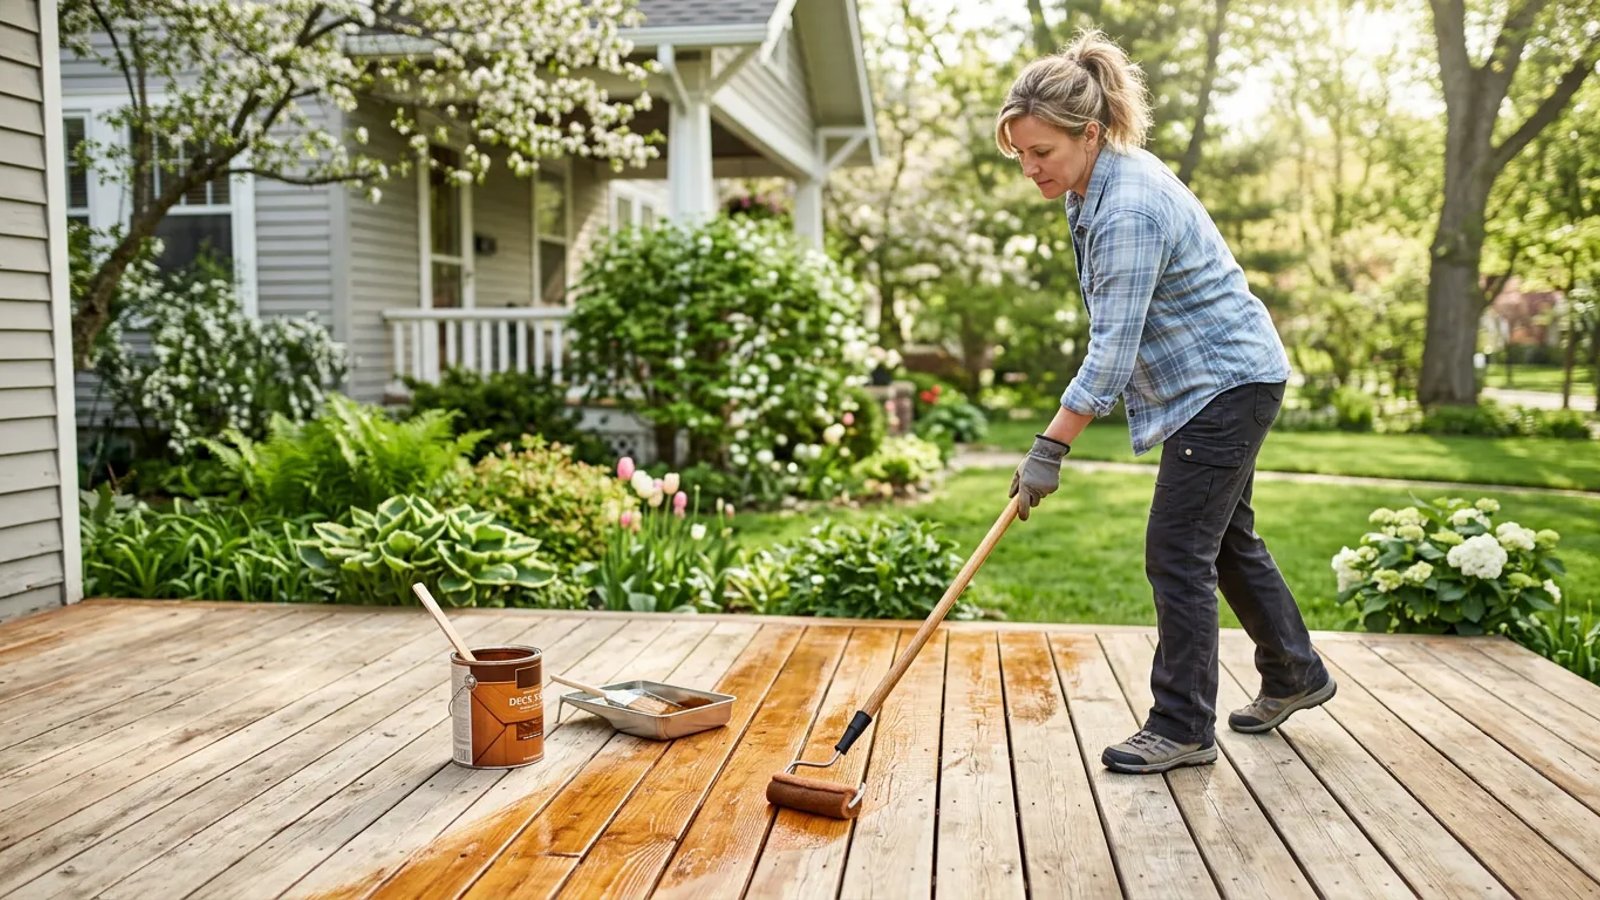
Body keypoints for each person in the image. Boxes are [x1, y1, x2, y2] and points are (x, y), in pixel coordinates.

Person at [997, 29, 1336, 774]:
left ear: (1088, 134)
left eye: (1041, 153)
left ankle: (1182, 724)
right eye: (1019, 153)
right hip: (1222, 380)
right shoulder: (1093, 182)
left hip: (1223, 385)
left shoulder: (1128, 208)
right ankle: (1295, 671)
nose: (1029, 168)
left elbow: (1111, 352)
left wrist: (1049, 448)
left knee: (1177, 551)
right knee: (1225, 539)